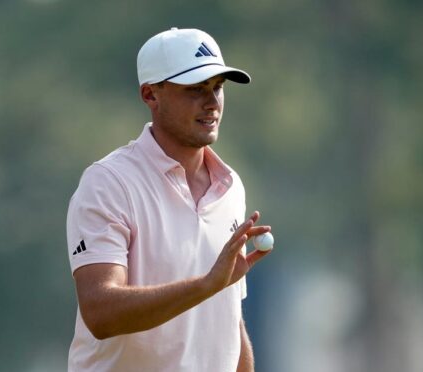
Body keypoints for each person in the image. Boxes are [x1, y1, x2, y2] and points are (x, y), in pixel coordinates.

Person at [66, 27, 272, 372]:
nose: (212, 103)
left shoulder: (230, 186)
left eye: (217, 88)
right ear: (150, 95)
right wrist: (206, 284)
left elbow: (227, 320)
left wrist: (214, 289)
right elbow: (100, 311)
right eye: (195, 89)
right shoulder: (109, 182)